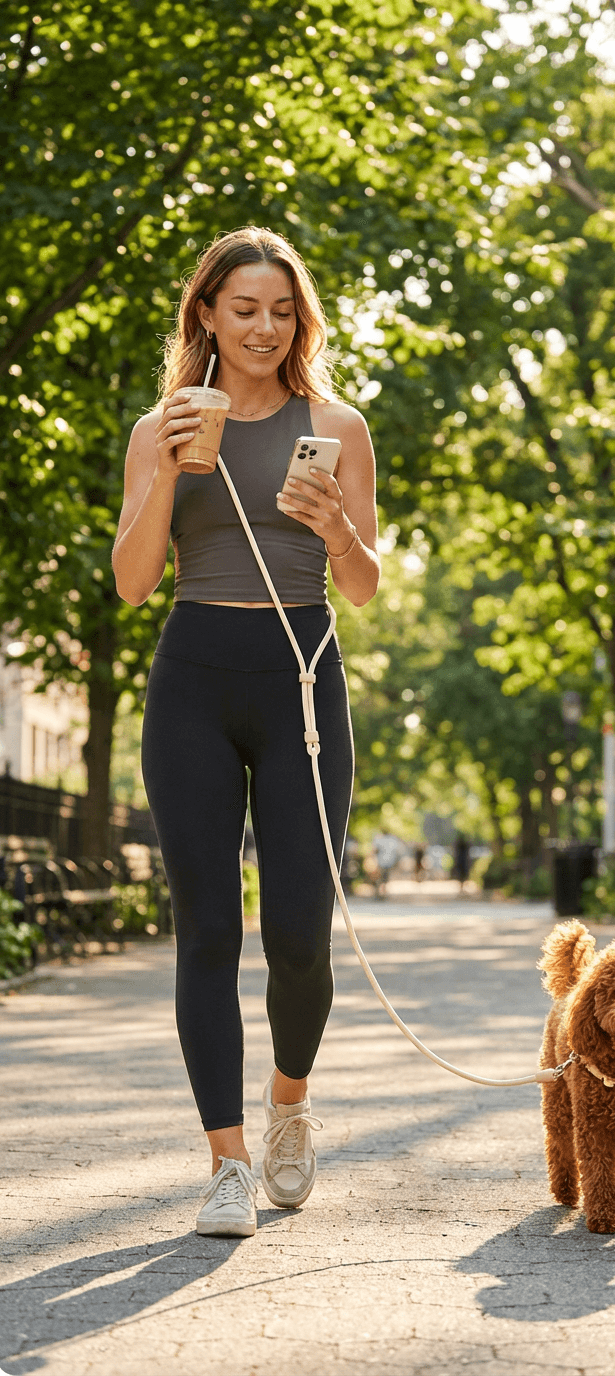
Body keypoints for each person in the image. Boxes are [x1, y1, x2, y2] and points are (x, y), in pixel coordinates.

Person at [112, 227, 380, 1236]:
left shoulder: (338, 424)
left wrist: (331, 525)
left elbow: (361, 582)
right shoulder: (159, 427)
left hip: (302, 682)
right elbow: (135, 581)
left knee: (301, 933)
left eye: (281, 310)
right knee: (210, 930)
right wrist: (169, 471)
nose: (264, 328)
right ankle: (226, 1163)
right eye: (243, 309)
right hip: (193, 683)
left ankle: (288, 1105)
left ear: (297, 318)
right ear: (207, 316)